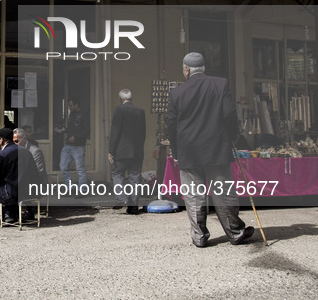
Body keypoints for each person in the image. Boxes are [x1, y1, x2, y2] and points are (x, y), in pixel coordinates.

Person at [167, 52, 254, 247]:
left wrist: (176, 151)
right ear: (203, 68)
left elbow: (170, 125)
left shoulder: (177, 93)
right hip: (216, 148)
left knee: (194, 194)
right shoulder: (220, 84)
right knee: (223, 192)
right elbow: (229, 114)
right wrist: (234, 136)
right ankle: (235, 232)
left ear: (187, 69)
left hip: (188, 151)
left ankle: (199, 237)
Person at [108, 89, 146, 215]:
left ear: (121, 99)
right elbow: (143, 133)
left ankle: (122, 199)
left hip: (121, 151)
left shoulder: (119, 109)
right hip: (137, 151)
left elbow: (115, 131)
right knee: (135, 178)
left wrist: (111, 151)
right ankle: (133, 207)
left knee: (117, 174)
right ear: (131, 98)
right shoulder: (140, 111)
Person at [14, 127, 46, 220]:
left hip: (35, 182)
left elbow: (39, 172)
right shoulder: (15, 149)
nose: (14, 144)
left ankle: (26, 212)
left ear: (24, 139)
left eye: (17, 141)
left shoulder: (35, 151)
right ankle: (11, 213)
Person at [58, 97, 89, 188]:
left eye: (70, 105)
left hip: (78, 146)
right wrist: (64, 130)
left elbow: (87, 130)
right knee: (63, 167)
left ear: (76, 105)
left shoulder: (84, 115)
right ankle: (70, 188)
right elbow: (73, 129)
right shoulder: (71, 114)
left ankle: (83, 190)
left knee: (80, 169)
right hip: (68, 145)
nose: (69, 107)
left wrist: (75, 137)